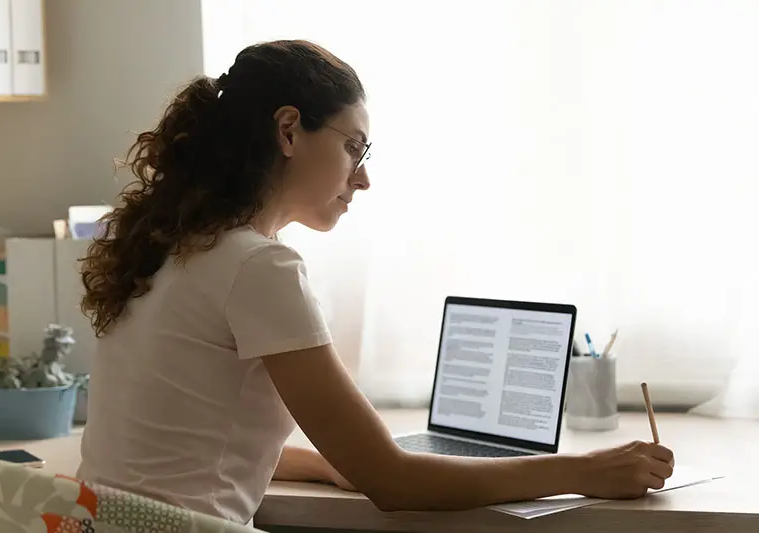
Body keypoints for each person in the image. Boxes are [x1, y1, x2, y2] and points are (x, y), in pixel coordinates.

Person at [76, 39, 674, 525]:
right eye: (354, 148)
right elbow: (392, 481)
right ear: (289, 131)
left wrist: (337, 464)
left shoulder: (169, 249)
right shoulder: (259, 268)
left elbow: (186, 450)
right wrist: (583, 471)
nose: (362, 179)